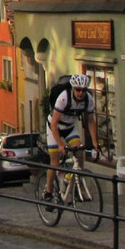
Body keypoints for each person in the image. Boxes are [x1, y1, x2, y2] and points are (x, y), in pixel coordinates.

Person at [42, 73, 100, 202]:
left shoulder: (88, 99)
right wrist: (60, 145)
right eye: (77, 90)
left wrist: (95, 142)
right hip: (54, 127)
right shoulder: (63, 98)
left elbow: (91, 121)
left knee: (79, 152)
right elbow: (54, 124)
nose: (80, 93)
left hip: (69, 127)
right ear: (73, 88)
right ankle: (48, 190)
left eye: (83, 90)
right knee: (55, 161)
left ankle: (74, 184)